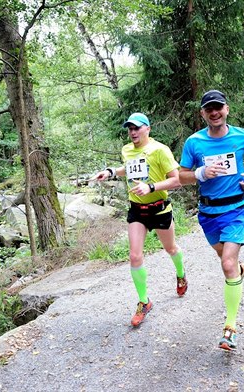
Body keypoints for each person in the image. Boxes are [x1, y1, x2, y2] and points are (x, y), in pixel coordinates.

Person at [179, 90, 244, 351]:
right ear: (203, 113)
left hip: (236, 208)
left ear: (226, 109)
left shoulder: (242, 136)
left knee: (227, 264)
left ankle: (230, 328)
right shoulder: (194, 142)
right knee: (227, 260)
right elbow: (182, 176)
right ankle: (240, 270)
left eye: (218, 107)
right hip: (208, 214)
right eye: (209, 109)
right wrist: (201, 173)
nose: (214, 112)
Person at [94, 112, 187, 328]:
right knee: (135, 256)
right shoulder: (127, 150)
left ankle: (181, 275)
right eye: (130, 128)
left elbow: (177, 180)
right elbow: (128, 169)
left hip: (159, 209)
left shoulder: (160, 150)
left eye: (137, 128)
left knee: (171, 249)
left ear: (147, 129)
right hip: (137, 210)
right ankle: (144, 301)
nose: (132, 132)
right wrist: (109, 172)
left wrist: (151, 187)